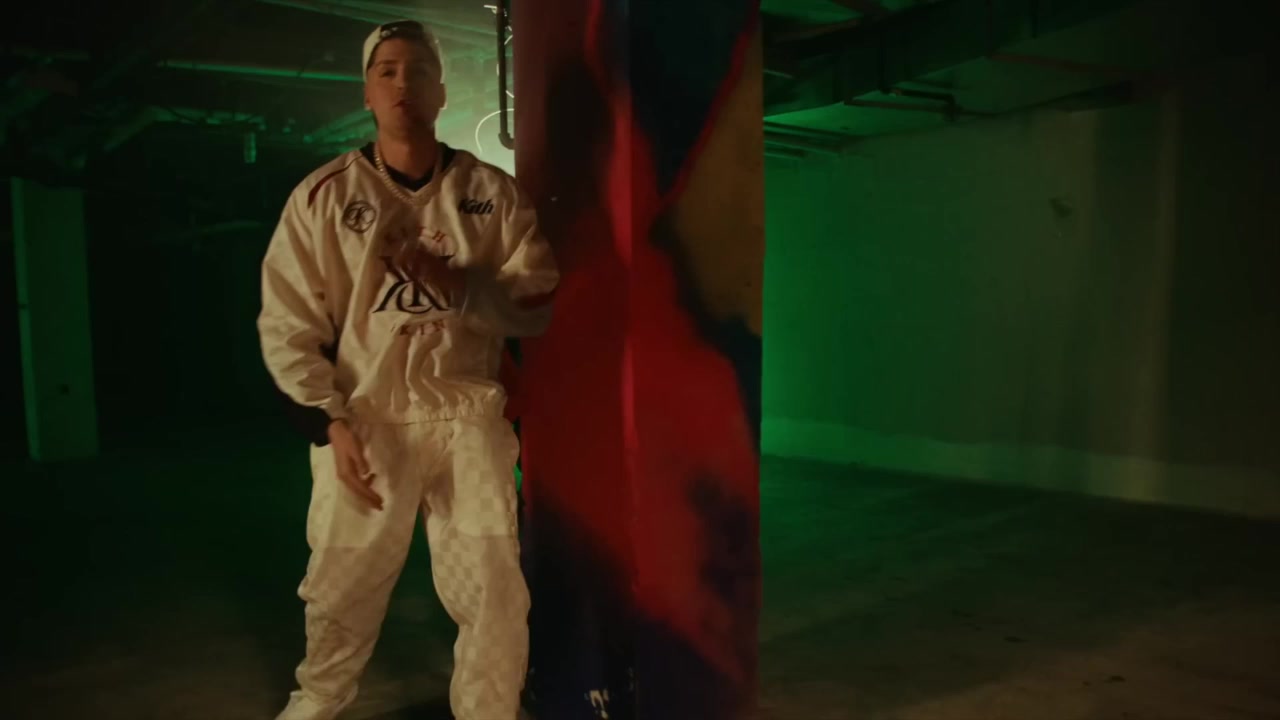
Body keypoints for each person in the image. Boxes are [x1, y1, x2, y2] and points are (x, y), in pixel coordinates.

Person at [256, 19, 558, 720]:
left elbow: (536, 299)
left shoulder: (489, 193)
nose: (402, 83)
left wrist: (459, 284)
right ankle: (317, 703)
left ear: (442, 91)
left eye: (418, 70)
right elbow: (288, 321)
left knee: (494, 592)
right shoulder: (325, 197)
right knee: (341, 589)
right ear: (366, 92)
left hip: (465, 418)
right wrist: (328, 420)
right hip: (368, 422)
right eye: (386, 70)